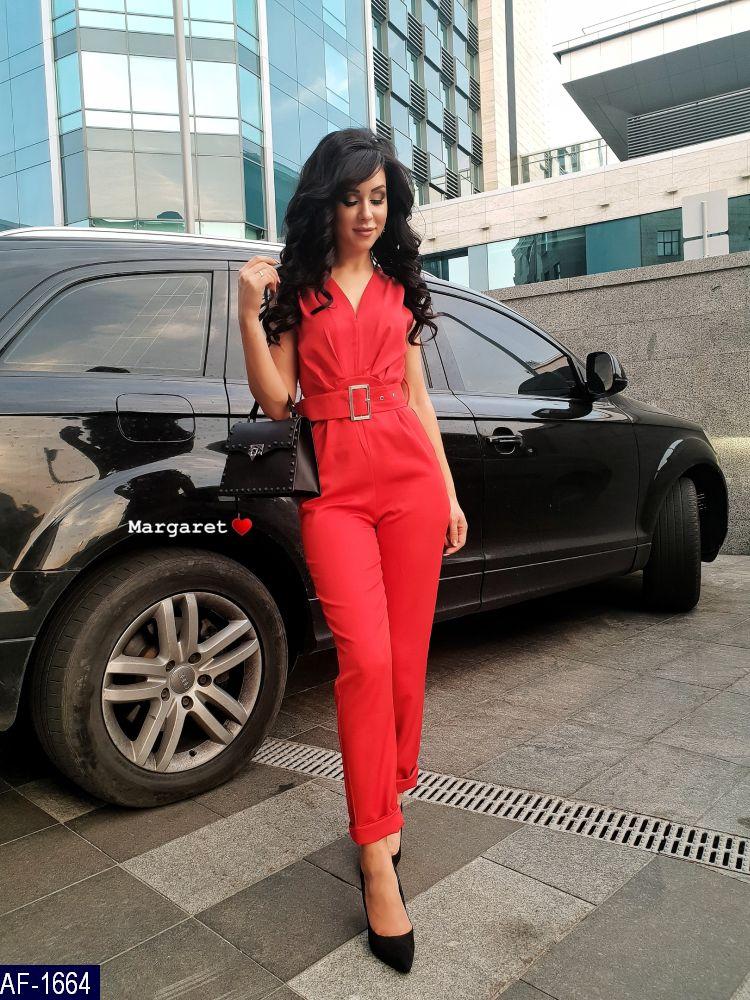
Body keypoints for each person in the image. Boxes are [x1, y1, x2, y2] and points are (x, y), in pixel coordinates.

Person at [236, 127, 468, 973]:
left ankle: (389, 793)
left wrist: (448, 492)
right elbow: (276, 401)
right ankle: (375, 855)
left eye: (378, 199)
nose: (367, 214)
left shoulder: (402, 286)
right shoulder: (297, 290)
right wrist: (246, 311)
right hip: (334, 490)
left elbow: (419, 398)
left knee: (405, 664)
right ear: (325, 202)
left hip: (410, 482)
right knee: (365, 661)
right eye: (351, 198)